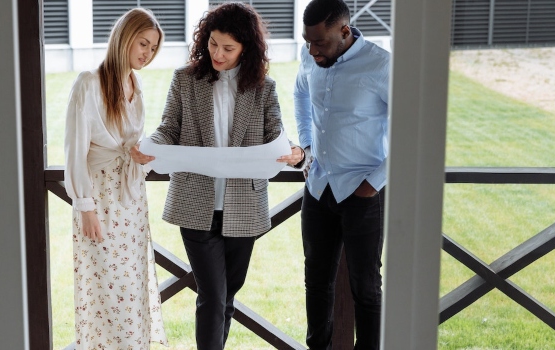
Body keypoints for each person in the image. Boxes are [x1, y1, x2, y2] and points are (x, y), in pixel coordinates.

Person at [134, 2, 303, 349]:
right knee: (212, 295)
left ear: (246, 48)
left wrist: (298, 154)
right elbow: (170, 128)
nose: (218, 53)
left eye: (228, 48)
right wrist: (150, 145)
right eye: (212, 43)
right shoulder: (185, 79)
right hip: (195, 202)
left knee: (227, 296)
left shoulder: (263, 87)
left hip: (244, 205)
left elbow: (276, 134)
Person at [63, 8, 168, 350]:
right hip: (100, 199)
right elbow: (74, 151)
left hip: (131, 199)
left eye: (152, 48)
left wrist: (141, 154)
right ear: (124, 38)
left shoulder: (134, 84)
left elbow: (131, 144)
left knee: (132, 286)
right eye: (142, 43)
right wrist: (85, 207)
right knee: (107, 287)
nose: (146, 53)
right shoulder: (89, 83)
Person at [293, 0, 390, 349]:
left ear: (345, 31)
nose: (312, 50)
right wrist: (306, 147)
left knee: (365, 287)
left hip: (362, 193)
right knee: (316, 281)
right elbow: (301, 93)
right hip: (319, 188)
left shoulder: (381, 66)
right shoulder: (310, 56)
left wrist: (374, 182)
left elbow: (413, 128)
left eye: (319, 42)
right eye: (307, 41)